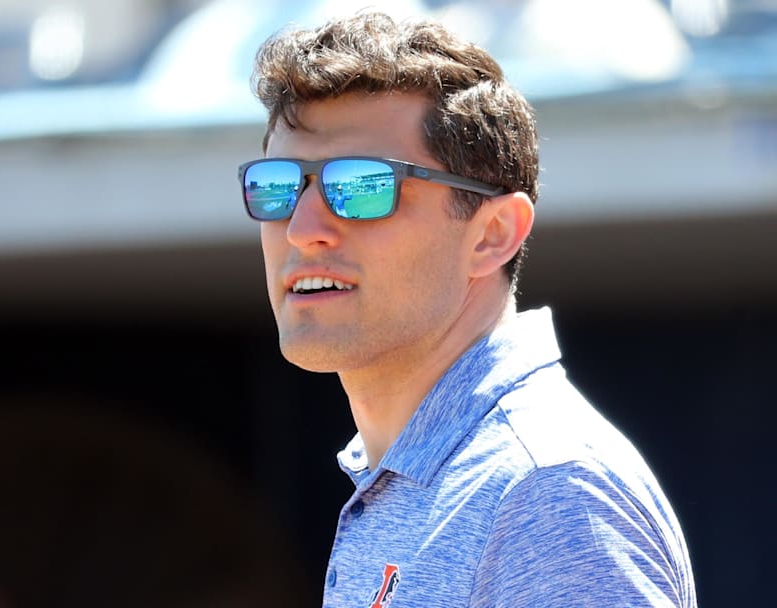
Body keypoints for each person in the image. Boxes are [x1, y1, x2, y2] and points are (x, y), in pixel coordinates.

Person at [237, 12, 696, 607]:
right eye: (277, 186)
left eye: (362, 186)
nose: (301, 230)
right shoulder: (432, 479)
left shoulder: (545, 491)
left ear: (493, 233)